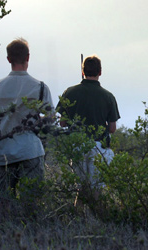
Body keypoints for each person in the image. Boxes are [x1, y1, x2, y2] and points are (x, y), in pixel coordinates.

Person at [0, 38, 54, 222]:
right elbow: (50, 119)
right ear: (28, 57)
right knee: (32, 201)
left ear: (8, 59)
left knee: (4, 199)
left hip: (3, 152)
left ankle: (1, 235)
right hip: (30, 150)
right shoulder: (40, 87)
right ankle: (31, 235)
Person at [57, 55, 120, 205]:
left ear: (83, 71)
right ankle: (95, 222)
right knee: (96, 189)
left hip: (77, 145)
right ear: (100, 72)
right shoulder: (108, 96)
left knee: (80, 189)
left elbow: (63, 123)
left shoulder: (69, 92)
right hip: (99, 146)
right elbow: (112, 128)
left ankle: (79, 220)